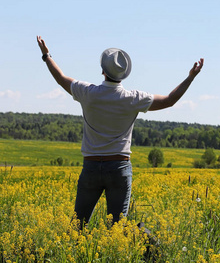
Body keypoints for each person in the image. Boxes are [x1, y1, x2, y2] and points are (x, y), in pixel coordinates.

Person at [36, 36, 203, 227]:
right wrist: (190, 77)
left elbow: (61, 78)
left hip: (90, 166)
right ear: (124, 74)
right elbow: (169, 100)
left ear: (102, 71)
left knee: (78, 225)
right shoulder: (132, 98)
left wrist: (46, 55)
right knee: (116, 228)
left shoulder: (88, 93)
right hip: (119, 168)